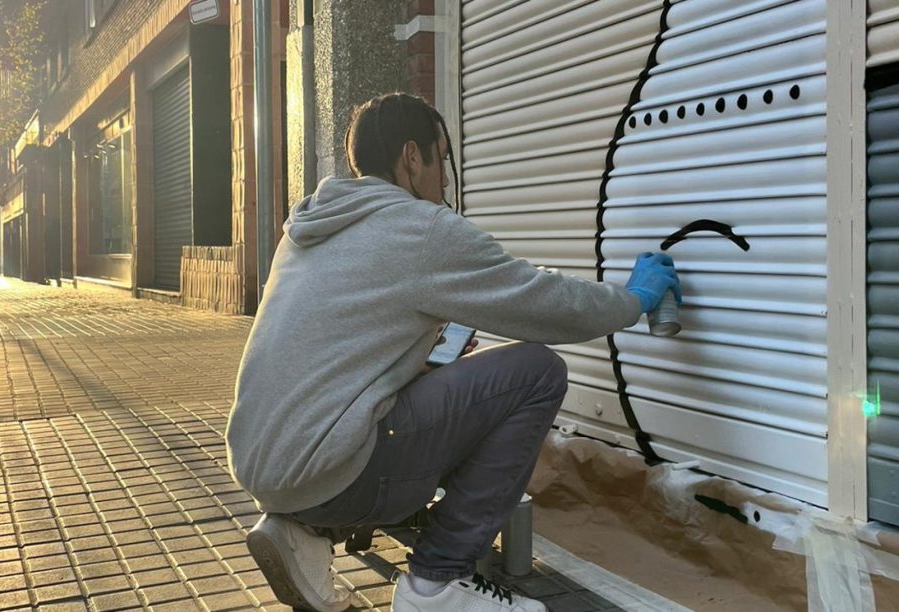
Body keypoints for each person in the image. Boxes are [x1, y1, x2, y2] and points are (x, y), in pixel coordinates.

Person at [225, 92, 681, 612]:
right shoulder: (420, 228)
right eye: (441, 159)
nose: (444, 179)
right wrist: (632, 299)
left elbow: (334, 356)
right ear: (411, 157)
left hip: (266, 467)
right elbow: (543, 302)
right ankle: (437, 582)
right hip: (335, 474)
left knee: (439, 381)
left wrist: (417, 362)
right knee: (535, 372)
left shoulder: (309, 227)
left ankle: (301, 529)